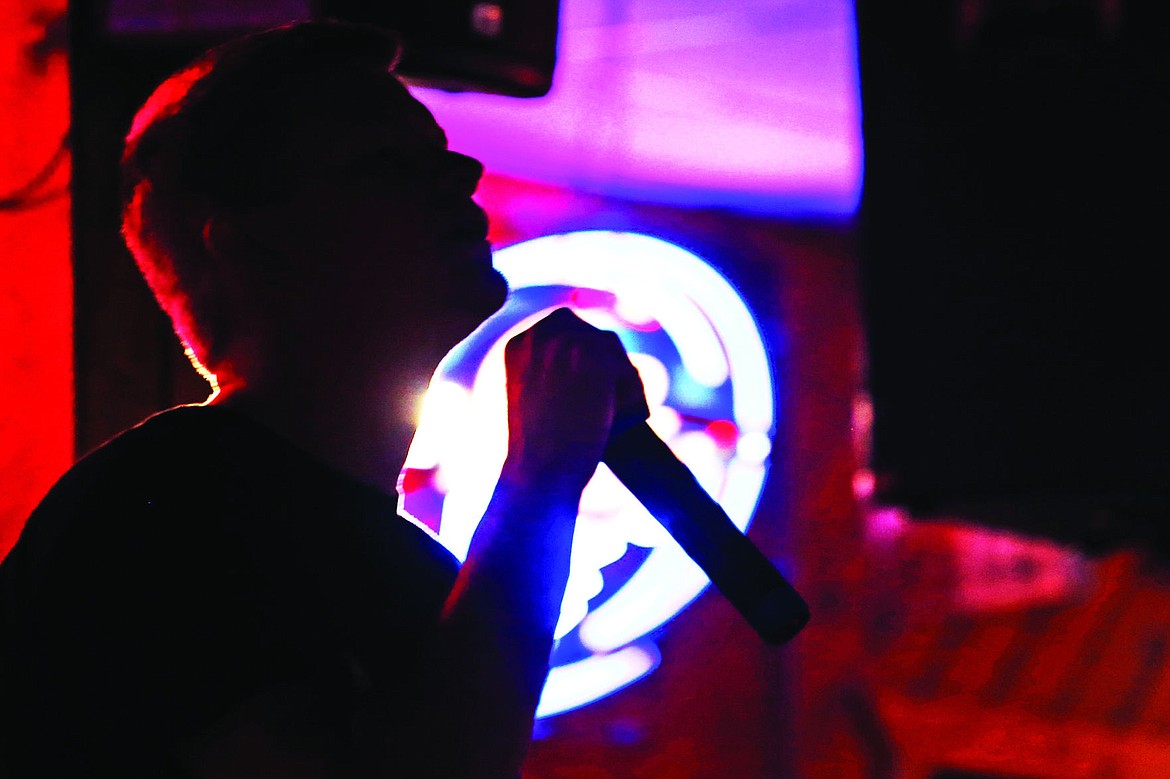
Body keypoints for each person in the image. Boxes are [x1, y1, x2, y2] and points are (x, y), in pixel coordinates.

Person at [0, 19, 646, 778]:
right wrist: (540, 480)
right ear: (250, 245)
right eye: (385, 163)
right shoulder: (162, 501)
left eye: (441, 153)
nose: (461, 174)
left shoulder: (422, 575)